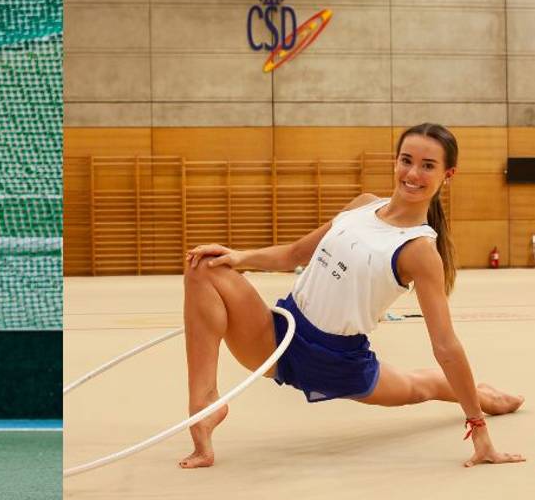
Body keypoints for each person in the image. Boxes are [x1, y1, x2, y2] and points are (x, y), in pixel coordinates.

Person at [181, 123, 524, 469]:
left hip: (336, 363)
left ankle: (485, 401)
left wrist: (478, 428)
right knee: (203, 267)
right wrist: (238, 256)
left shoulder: (419, 250)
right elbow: (295, 254)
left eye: (428, 166)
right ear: (395, 161)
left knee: (421, 386)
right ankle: (205, 406)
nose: (413, 173)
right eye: (406, 160)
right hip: (280, 336)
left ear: (447, 175)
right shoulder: (361, 207)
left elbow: (446, 345)